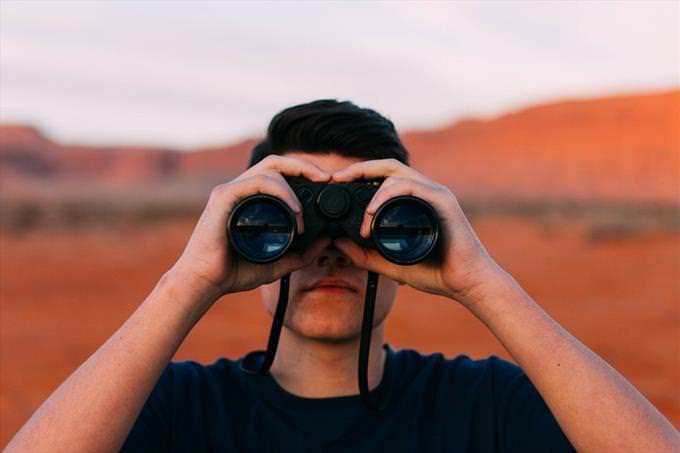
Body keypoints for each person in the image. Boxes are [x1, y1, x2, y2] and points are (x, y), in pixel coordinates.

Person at [6, 100, 679, 453]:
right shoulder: (176, 406)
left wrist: (484, 281)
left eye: (368, 225)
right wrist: (189, 279)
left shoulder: (484, 405)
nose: (329, 250)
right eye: (289, 223)